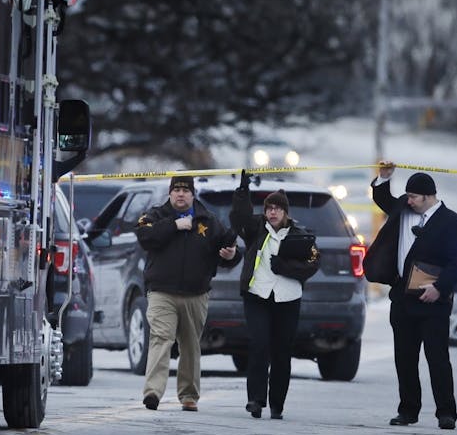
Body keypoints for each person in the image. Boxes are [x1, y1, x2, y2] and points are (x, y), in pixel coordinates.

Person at [363, 161, 457, 430]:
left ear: (429, 196)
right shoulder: (403, 208)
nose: (408, 200)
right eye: (407, 196)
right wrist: (384, 178)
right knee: (405, 359)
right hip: (402, 298)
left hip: (433, 301)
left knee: (437, 359)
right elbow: (382, 197)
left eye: (413, 196)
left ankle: (446, 412)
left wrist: (440, 288)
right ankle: (408, 410)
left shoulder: (453, 223)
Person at [135, 174, 238, 411]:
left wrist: (232, 255)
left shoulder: (208, 220)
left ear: (193, 194)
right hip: (162, 292)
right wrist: (173, 225)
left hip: (196, 293)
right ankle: (153, 392)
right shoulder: (156, 215)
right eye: (176, 190)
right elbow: (144, 235)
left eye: (185, 190)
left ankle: (189, 395)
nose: (180, 194)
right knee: (161, 339)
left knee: (191, 345)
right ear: (170, 193)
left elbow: (228, 250)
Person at [230, 170, 319, 420]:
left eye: (278, 208)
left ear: (285, 212)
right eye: (269, 208)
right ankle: (255, 400)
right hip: (257, 296)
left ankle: (277, 403)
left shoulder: (300, 235)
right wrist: (242, 193)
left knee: (281, 351)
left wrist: (287, 268)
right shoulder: (256, 229)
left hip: (287, 300)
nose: (272, 212)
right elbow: (239, 218)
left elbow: (313, 263)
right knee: (259, 345)